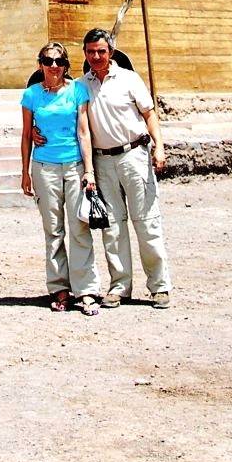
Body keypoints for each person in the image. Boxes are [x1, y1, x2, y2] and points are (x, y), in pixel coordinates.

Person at [81, 28, 171, 309]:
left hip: (134, 156)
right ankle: (120, 286)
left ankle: (159, 286)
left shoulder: (129, 79)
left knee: (146, 221)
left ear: (111, 52)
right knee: (113, 227)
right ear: (85, 53)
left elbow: (149, 113)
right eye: (91, 52)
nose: (96, 56)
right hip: (102, 161)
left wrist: (159, 146)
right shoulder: (81, 86)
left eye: (101, 51)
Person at [20, 42, 101, 315]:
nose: (53, 66)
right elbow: (25, 135)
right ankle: (59, 288)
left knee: (80, 226)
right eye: (47, 60)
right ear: (40, 64)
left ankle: (87, 290)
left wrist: (88, 171)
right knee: (53, 230)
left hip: (74, 165)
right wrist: (24, 171)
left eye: (58, 61)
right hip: (44, 167)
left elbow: (84, 131)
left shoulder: (78, 90)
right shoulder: (31, 95)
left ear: (66, 64)